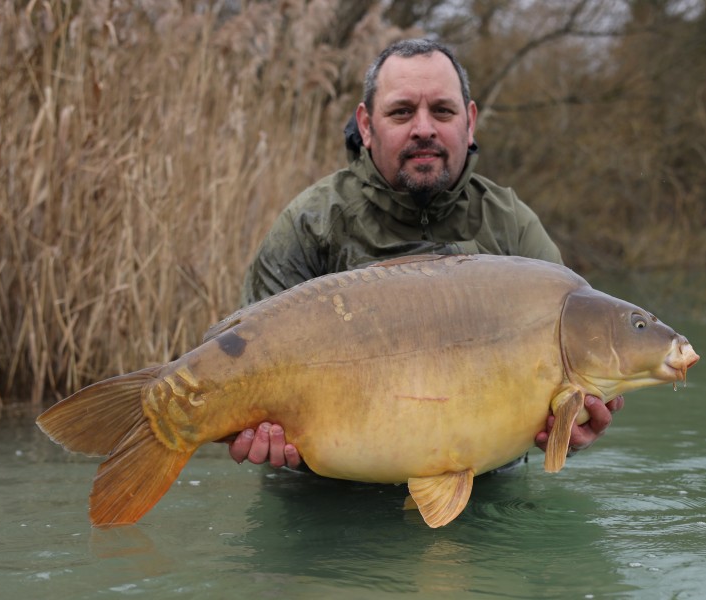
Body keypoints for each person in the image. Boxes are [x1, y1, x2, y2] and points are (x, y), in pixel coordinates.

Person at [223, 38, 623, 471]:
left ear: (469, 122)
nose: (424, 128)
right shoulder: (310, 223)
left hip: (484, 492)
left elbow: (571, 382)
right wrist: (255, 433)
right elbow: (242, 366)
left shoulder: (513, 227)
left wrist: (571, 428)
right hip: (324, 496)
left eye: (443, 111)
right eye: (401, 112)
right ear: (366, 124)